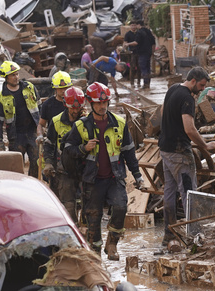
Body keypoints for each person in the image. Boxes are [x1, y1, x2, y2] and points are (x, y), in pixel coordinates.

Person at [63, 82, 144, 261]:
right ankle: (96, 252)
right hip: (92, 180)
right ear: (90, 104)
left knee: (121, 207)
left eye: (105, 102)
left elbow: (129, 151)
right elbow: (68, 149)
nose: (102, 106)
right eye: (98, 103)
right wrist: (84, 148)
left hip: (114, 177)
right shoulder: (81, 126)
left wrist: (137, 176)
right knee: (93, 217)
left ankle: (112, 244)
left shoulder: (119, 123)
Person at [158, 67, 215, 246]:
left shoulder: (173, 89)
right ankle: (194, 238)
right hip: (179, 153)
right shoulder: (186, 98)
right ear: (193, 80)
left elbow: (162, 112)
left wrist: (171, 128)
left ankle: (169, 234)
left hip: (166, 150)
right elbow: (189, 128)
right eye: (201, 85)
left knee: (169, 191)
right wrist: (205, 145)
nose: (202, 89)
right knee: (189, 194)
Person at [43, 87, 87, 222]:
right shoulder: (56, 121)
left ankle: (87, 231)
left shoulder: (89, 121)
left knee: (88, 204)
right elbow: (49, 144)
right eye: (72, 108)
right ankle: (74, 229)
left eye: (78, 108)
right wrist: (49, 163)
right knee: (68, 204)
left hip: (86, 167)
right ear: (65, 105)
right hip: (65, 169)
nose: (75, 111)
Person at [0, 61, 42, 178]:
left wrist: (43, 128)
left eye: (16, 74)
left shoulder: (30, 88)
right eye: (12, 75)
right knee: (16, 167)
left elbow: (40, 108)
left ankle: (33, 186)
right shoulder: (0, 98)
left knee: (36, 163)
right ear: (6, 77)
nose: (16, 77)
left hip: (32, 132)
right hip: (16, 137)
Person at [136, 20, 155, 89]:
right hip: (148, 53)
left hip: (142, 53)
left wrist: (128, 44)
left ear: (138, 25)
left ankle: (145, 83)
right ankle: (148, 83)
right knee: (148, 68)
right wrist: (152, 52)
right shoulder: (148, 31)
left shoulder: (139, 32)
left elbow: (136, 42)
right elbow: (153, 41)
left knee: (143, 68)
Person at [123, 21, 140, 87]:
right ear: (130, 26)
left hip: (139, 52)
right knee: (132, 67)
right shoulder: (128, 34)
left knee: (139, 68)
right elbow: (125, 43)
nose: (133, 27)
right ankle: (132, 82)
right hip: (132, 53)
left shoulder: (138, 33)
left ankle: (138, 82)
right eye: (132, 25)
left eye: (134, 25)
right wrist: (124, 49)